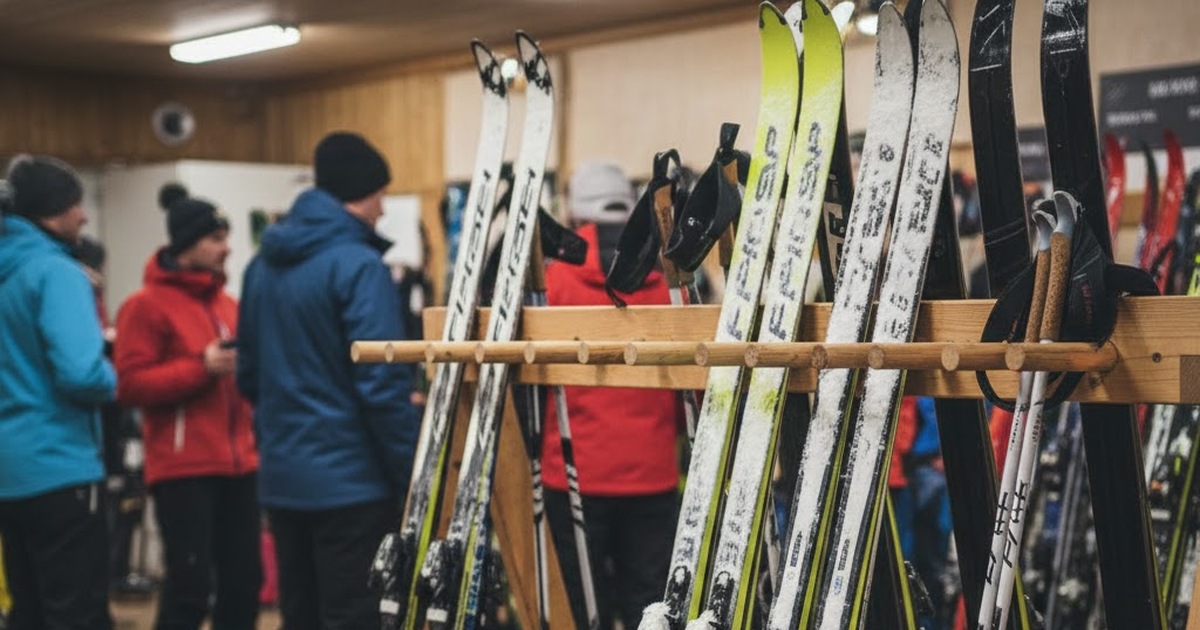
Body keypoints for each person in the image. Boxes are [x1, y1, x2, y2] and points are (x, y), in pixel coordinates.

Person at [237, 131, 419, 630]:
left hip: (283, 480)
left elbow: (248, 375)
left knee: (301, 614)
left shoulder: (259, 268)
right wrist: (410, 473)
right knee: (353, 615)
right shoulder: (359, 266)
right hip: (351, 484)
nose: (383, 209)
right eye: (380, 195)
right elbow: (381, 383)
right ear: (360, 194)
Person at [540, 161, 684, 630]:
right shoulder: (670, 276)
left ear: (574, 209)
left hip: (572, 472)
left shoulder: (552, 282)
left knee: (580, 606)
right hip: (651, 471)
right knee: (649, 606)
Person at [114, 184, 261, 629]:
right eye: (215, 238)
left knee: (244, 584)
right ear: (187, 244)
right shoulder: (144, 307)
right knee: (190, 588)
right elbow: (130, 384)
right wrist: (202, 367)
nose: (226, 247)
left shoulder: (230, 305)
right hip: (183, 469)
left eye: (226, 237)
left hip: (241, 464)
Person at [0, 154, 116, 629]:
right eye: (75, 204)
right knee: (77, 614)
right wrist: (114, 374)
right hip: (61, 467)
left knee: (28, 611)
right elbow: (82, 374)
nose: (84, 216)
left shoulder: (8, 270)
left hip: (10, 472)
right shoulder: (56, 272)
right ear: (51, 212)